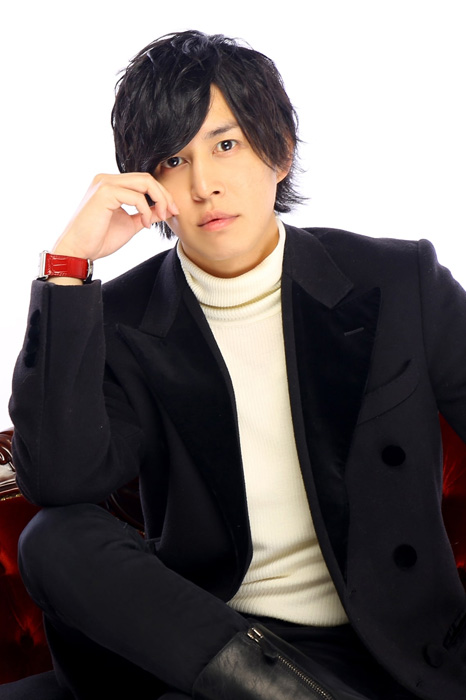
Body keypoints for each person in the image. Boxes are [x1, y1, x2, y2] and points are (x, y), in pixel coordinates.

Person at [5, 29, 466, 700]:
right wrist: (68, 269)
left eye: (226, 145)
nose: (204, 185)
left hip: (391, 645)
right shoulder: (124, 319)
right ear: (146, 185)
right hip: (214, 654)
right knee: (53, 538)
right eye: (174, 159)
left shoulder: (398, 279)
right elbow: (57, 479)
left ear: (280, 151)